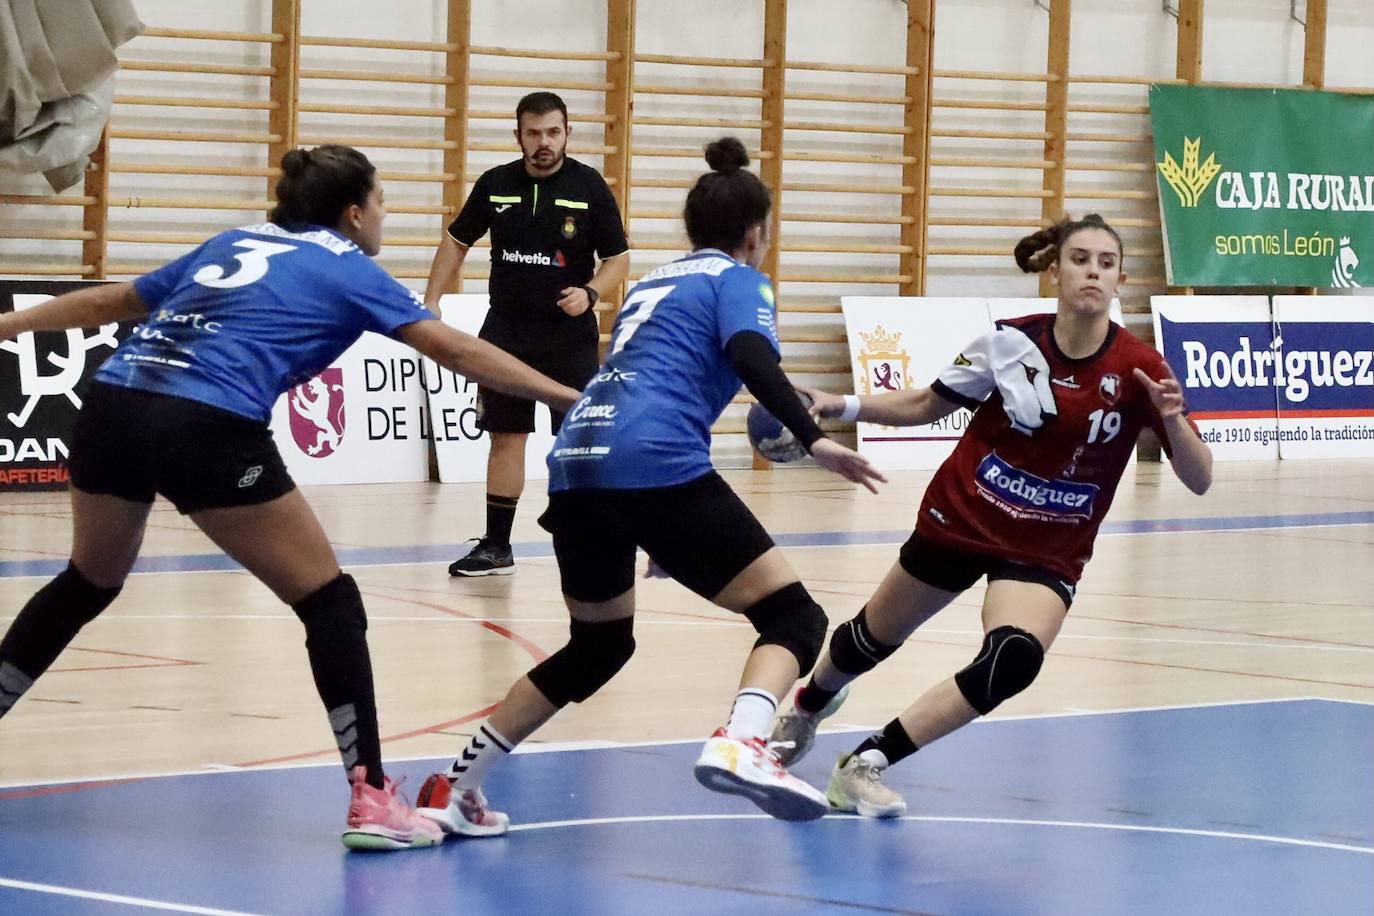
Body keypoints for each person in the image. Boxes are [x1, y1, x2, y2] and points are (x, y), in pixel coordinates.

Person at [0, 145, 582, 851]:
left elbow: (111, 302)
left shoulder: (232, 241)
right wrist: (566, 396)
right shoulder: (348, 270)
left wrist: (5, 326)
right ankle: (372, 796)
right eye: (382, 203)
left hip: (114, 405)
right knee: (329, 602)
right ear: (353, 213)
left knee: (86, 581)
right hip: (205, 423)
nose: (385, 217)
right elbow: (455, 351)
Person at [411, 137, 888, 837]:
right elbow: (751, 357)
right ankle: (745, 740)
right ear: (757, 233)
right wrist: (812, 437)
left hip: (578, 460)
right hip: (651, 460)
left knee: (597, 646)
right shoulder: (739, 281)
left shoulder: (656, 283)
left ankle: (454, 787)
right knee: (795, 620)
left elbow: (646, 379)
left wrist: (655, 528)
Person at [768, 213, 1213, 817]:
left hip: (1046, 550)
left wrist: (1173, 420)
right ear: (1055, 271)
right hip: (965, 517)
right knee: (872, 639)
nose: (1093, 272)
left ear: (1120, 280)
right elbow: (926, 403)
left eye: (1106, 264)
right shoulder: (1009, 343)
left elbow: (1200, 479)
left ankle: (866, 763)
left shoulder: (1141, 370)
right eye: (1080, 259)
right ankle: (811, 703)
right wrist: (839, 403)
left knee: (1013, 661)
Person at [424, 91, 631, 578]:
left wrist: (592, 292)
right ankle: (497, 547)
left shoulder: (589, 186)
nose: (544, 142)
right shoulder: (496, 185)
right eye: (534, 133)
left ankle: (586, 537)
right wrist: (431, 300)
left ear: (567, 133)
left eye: (553, 132)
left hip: (569, 336)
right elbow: (456, 242)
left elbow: (618, 259)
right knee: (506, 436)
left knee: (577, 440)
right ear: (518, 135)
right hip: (506, 333)